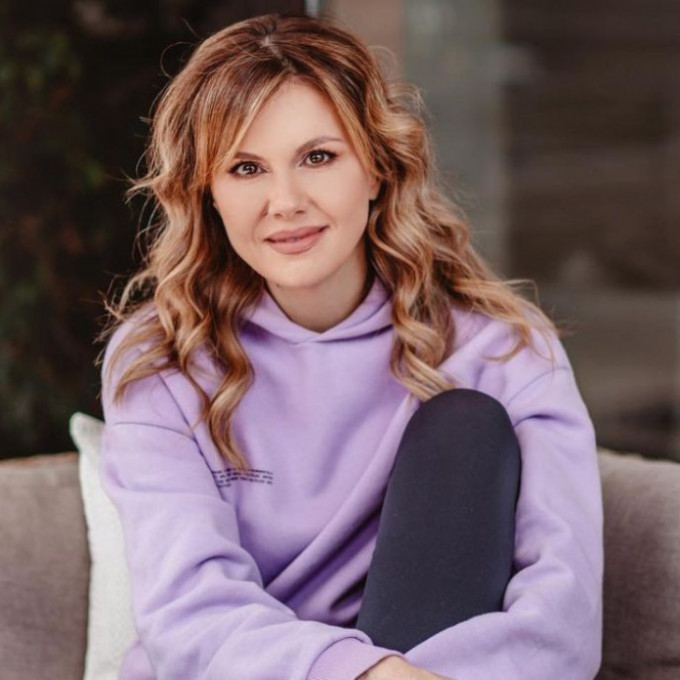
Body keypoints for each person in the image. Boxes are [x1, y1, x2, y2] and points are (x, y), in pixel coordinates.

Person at [98, 10, 603, 680]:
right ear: (208, 194)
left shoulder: (506, 352)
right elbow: (189, 614)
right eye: (246, 168)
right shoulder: (161, 363)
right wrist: (367, 675)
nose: (285, 201)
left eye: (318, 157)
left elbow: (562, 619)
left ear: (376, 168)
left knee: (465, 425)